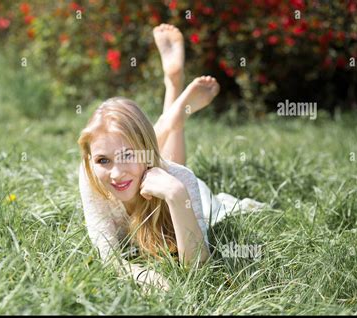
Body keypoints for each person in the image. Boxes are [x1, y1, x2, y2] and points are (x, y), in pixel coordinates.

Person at [77, 24, 265, 291]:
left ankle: (172, 108)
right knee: (146, 163)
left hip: (179, 180)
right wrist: (146, 277)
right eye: (103, 160)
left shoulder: (180, 180)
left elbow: (199, 269)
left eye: (126, 155)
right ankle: (172, 110)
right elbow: (110, 260)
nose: (115, 173)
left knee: (172, 169)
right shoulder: (90, 173)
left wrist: (176, 195)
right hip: (153, 159)